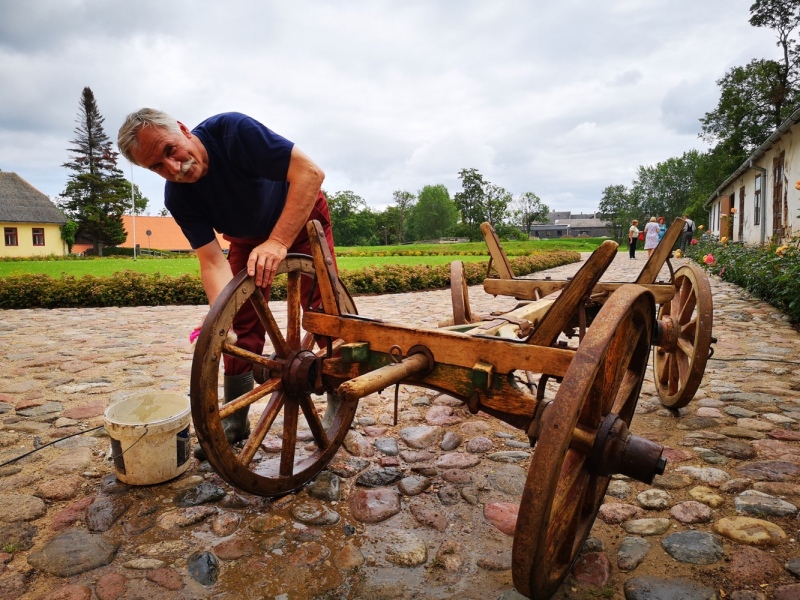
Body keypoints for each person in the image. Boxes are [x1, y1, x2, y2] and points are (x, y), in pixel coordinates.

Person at [117, 109, 336, 459]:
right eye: (157, 167)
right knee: (238, 325)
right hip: (247, 238)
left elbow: (310, 174)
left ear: (184, 131)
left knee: (324, 308)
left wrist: (278, 241)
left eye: (170, 150)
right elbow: (212, 260)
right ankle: (235, 419)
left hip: (300, 217)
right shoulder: (178, 197)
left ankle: (339, 390)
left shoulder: (233, 134)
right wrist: (221, 318)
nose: (173, 168)